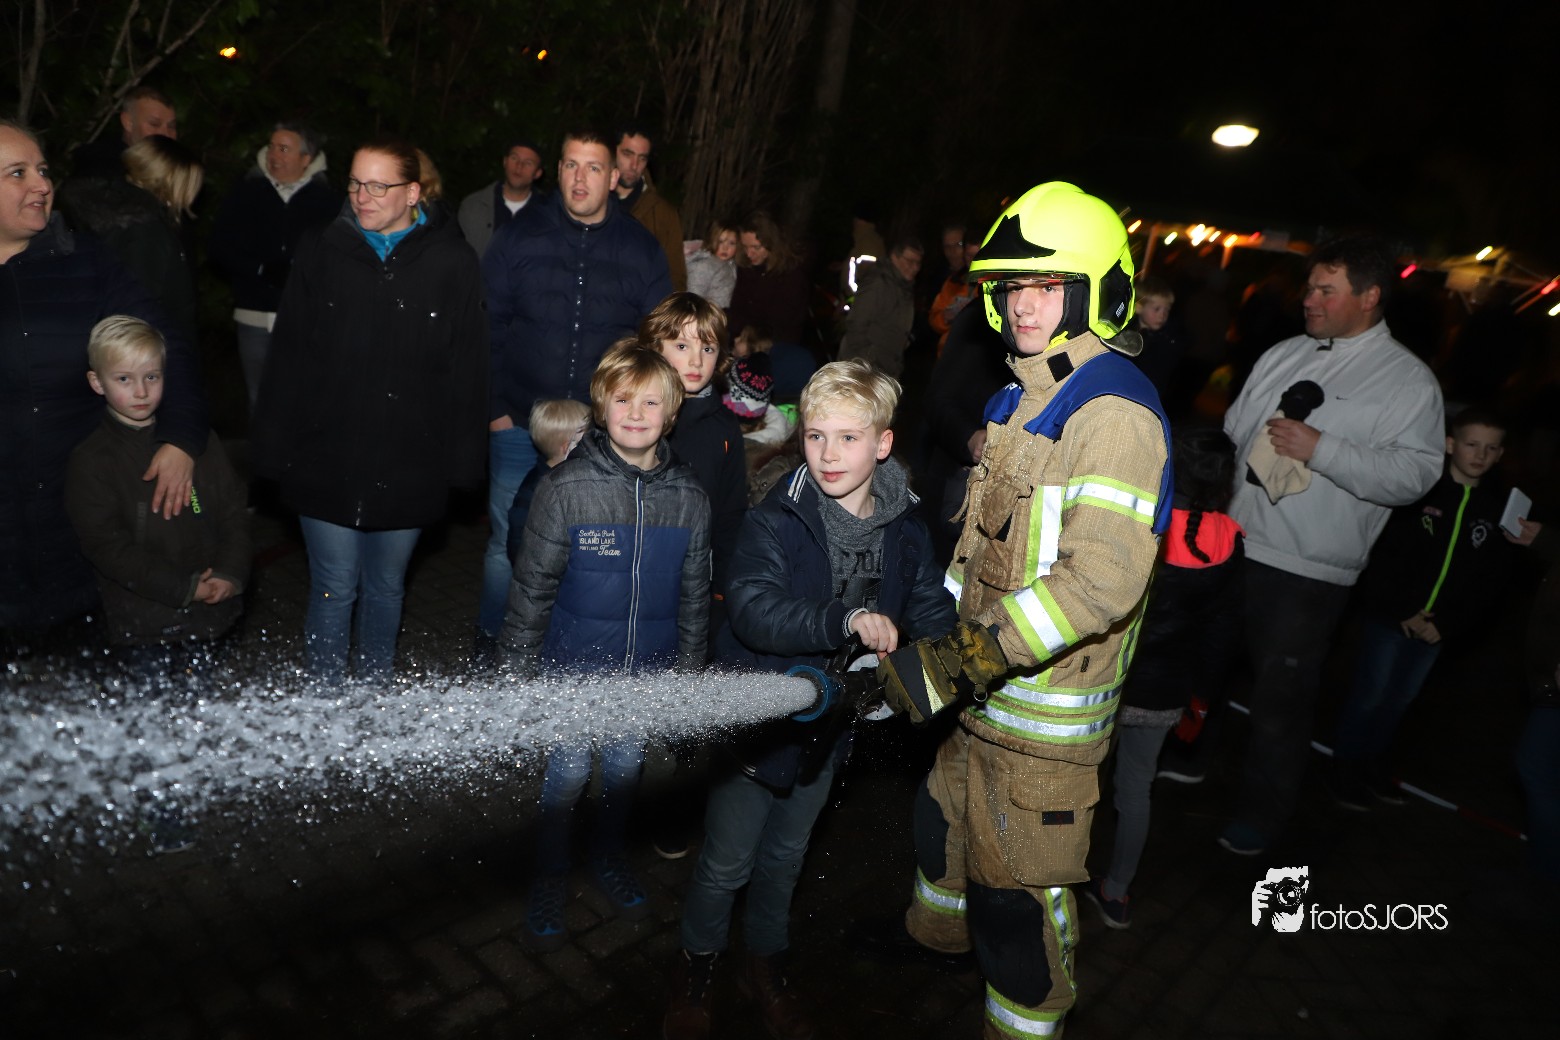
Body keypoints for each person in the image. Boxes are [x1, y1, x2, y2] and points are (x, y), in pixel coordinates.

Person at [872, 182, 1172, 1039]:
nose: (1020, 305)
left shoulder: (1113, 415)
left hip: (1042, 724)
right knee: (942, 833)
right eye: (1009, 288)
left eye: (1046, 286)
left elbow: (1099, 584)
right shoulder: (1021, 395)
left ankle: (1023, 1024)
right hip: (977, 696)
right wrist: (926, 638)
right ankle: (933, 944)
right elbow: (980, 554)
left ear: (1098, 291)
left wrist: (963, 659)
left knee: (1016, 904)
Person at [663, 359, 957, 1040]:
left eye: (849, 438)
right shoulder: (777, 519)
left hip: (830, 732)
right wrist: (842, 621)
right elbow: (752, 608)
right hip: (760, 725)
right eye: (817, 436)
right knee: (728, 861)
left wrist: (938, 666)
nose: (829, 454)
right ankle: (697, 965)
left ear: (883, 443)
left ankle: (764, 965)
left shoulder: (906, 530)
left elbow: (928, 608)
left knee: (786, 857)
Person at [1217, 235, 1443, 856]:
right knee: (1203, 669)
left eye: (1326, 290)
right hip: (1232, 544)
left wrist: (1324, 450)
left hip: (1306, 569)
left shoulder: (1407, 380)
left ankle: (1262, 816)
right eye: (1310, 287)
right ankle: (1188, 764)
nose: (1309, 300)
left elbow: (1414, 475)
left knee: (1280, 702)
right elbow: (1235, 428)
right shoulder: (1286, 352)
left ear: (1369, 297)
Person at [251, 135, 487, 683]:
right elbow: (288, 355)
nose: (362, 196)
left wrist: (463, 463)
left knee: (384, 588)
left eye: (379, 186)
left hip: (410, 461)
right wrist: (271, 450)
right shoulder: (321, 248)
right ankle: (326, 703)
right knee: (334, 586)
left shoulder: (452, 261)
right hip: (325, 454)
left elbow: (469, 367)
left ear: (413, 193)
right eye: (356, 183)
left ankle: (374, 697)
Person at [504, 346, 711, 950]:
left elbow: (696, 600)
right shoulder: (565, 488)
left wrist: (687, 682)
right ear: (601, 406)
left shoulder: (690, 499)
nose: (636, 413)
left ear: (672, 414)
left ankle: (607, 856)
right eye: (623, 399)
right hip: (573, 673)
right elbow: (531, 591)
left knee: (624, 773)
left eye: (651, 402)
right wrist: (515, 681)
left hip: (645, 678)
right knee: (567, 775)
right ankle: (549, 872)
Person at [1, 119, 205, 641]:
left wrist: (181, 437)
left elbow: (166, 342)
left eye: (42, 170)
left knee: (87, 671)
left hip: (80, 523)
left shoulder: (86, 261)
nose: (42, 185)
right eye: (18, 173)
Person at [477, 129, 672, 648]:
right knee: (507, 545)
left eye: (593, 167)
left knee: (593, 551)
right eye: (570, 165)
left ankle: (565, 655)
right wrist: (495, 409)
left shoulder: (640, 248)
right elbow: (485, 325)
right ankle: (492, 652)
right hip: (519, 423)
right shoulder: (519, 236)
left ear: (614, 177)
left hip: (602, 434)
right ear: (557, 170)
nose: (579, 178)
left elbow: (656, 345)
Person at [1082, 427, 1243, 930]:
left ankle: (1058, 873)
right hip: (1166, 691)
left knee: (1082, 781)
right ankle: (1117, 892)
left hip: (1109, 678)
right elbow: (1221, 634)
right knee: (1136, 790)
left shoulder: (1140, 521)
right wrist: (1202, 699)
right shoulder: (1230, 539)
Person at [1328, 407, 1513, 808]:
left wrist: (1448, 623)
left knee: (1401, 700)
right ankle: (1344, 768)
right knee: (1370, 695)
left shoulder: (1497, 511)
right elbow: (1383, 558)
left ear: (1500, 454)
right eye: (1471, 444)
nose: (1480, 455)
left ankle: (1372, 767)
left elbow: (1490, 582)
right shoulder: (1419, 493)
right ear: (1449, 444)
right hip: (1392, 617)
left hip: (1436, 629)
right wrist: (1404, 609)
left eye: (1490, 448)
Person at [64, 315, 249, 671]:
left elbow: (233, 511)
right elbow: (106, 547)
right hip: (144, 626)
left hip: (211, 614)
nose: (141, 392)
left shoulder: (200, 441)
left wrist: (230, 572)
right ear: (97, 382)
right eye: (124, 379)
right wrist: (183, 588)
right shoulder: (92, 461)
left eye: (151, 377)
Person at [209, 121, 342, 409]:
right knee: (260, 401)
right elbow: (219, 247)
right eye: (271, 147)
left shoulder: (328, 201)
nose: (273, 155)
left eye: (283, 149)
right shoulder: (246, 192)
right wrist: (259, 269)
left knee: (305, 402)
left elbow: (339, 257)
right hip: (254, 317)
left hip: (306, 318)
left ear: (306, 158)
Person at [59, 135, 204, 341]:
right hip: (147, 349)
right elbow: (136, 310)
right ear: (173, 182)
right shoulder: (145, 230)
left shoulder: (116, 216)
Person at [729, 212, 814, 399]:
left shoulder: (791, 276)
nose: (749, 253)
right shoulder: (746, 268)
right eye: (745, 247)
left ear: (771, 244)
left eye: (756, 247)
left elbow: (783, 324)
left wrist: (750, 341)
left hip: (776, 360)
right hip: (744, 351)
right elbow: (737, 308)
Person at [504, 399, 592, 565]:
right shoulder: (536, 489)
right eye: (589, 440)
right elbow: (518, 539)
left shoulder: (580, 477)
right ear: (567, 447)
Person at [613, 124, 686, 291]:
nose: (634, 165)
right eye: (627, 154)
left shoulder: (663, 214)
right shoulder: (590, 202)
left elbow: (676, 279)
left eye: (642, 158)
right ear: (612, 152)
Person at [839, 236, 923, 379]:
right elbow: (855, 325)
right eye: (910, 261)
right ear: (894, 257)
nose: (915, 268)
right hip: (863, 371)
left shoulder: (904, 287)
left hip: (885, 370)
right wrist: (870, 364)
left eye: (918, 263)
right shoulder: (877, 283)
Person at [457, 136, 544, 258]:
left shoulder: (549, 213)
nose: (519, 166)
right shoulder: (473, 207)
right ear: (505, 161)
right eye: (514, 158)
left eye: (528, 163)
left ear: (537, 173)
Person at [69, 86, 179, 179]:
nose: (166, 134)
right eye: (154, 124)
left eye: (171, 126)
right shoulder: (99, 170)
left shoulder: (177, 169)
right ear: (128, 123)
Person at [1127, 275, 1184, 401]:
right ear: (1139, 307)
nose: (1162, 315)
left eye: (1167, 310)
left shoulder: (1167, 340)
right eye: (1157, 309)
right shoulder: (1127, 333)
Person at [928, 229, 980, 357]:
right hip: (949, 356)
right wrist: (945, 318)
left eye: (957, 245)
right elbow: (934, 317)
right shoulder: (953, 282)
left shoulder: (997, 283)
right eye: (969, 256)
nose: (973, 260)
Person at [685, 218, 739, 309]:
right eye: (720, 242)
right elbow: (693, 297)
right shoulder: (702, 266)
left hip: (720, 314)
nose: (725, 248)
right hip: (704, 314)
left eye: (731, 243)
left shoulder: (731, 265)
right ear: (711, 240)